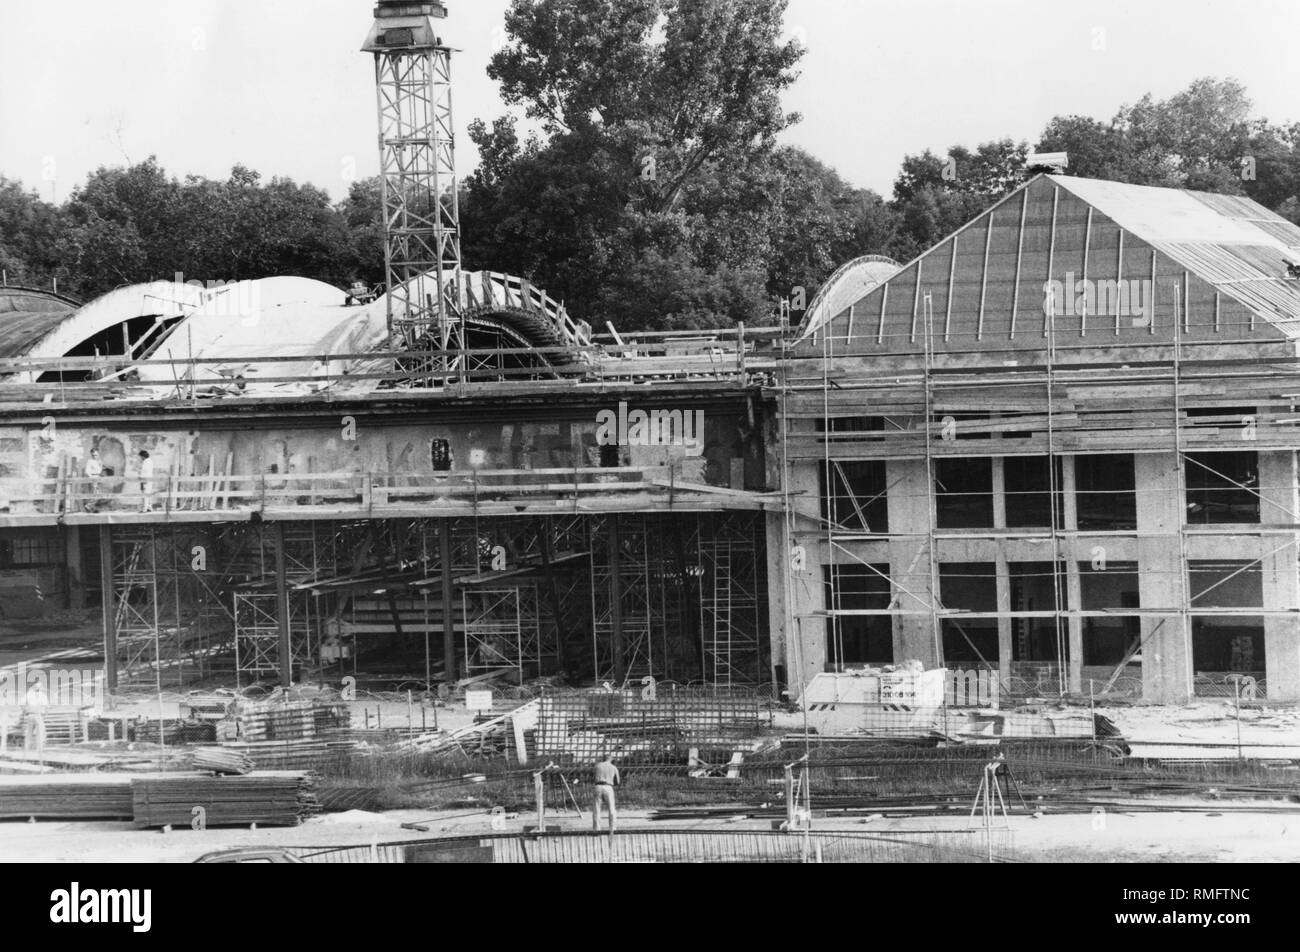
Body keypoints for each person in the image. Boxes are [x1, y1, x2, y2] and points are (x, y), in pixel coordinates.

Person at [592, 751, 620, 835]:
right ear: (610, 759)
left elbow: (593, 778)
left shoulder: (597, 766)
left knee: (596, 809)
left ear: (603, 759)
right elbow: (617, 781)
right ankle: (612, 828)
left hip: (597, 786)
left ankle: (596, 830)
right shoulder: (613, 767)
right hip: (608, 787)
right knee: (611, 808)